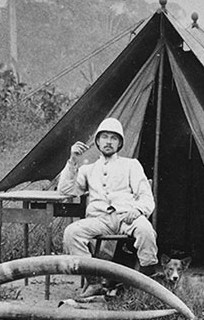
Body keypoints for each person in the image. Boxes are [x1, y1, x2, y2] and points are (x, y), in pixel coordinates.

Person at [58, 118, 158, 297]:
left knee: (146, 231)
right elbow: (66, 190)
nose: (109, 142)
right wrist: (72, 160)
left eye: (114, 138)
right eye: (104, 137)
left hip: (127, 216)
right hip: (99, 219)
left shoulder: (131, 164)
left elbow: (146, 196)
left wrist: (138, 210)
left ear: (120, 143)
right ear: (97, 141)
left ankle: (147, 285)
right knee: (71, 233)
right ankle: (94, 282)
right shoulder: (88, 169)